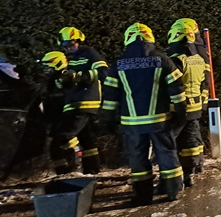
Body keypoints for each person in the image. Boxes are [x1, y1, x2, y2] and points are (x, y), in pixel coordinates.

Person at [101, 23, 187, 204]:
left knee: (138, 159)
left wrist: (109, 119)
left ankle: (143, 195)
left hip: (132, 124)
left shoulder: (118, 65)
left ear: (128, 39)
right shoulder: (163, 60)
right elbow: (177, 87)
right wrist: (180, 112)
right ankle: (173, 191)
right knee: (167, 153)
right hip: (160, 121)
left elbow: (110, 95)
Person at [57, 27, 109, 174]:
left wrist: (83, 77)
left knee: (65, 136)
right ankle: (92, 171)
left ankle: (72, 168)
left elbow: (104, 72)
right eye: (65, 46)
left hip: (85, 102)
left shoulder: (89, 53)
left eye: (71, 44)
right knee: (86, 139)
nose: (68, 48)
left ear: (79, 41)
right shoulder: (66, 58)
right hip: (71, 103)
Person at [166, 18, 211, 188]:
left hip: (177, 108)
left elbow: (172, 84)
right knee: (192, 141)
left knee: (171, 142)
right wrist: (203, 103)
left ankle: (173, 179)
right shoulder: (199, 57)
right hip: (196, 106)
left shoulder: (177, 58)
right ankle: (191, 171)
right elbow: (204, 82)